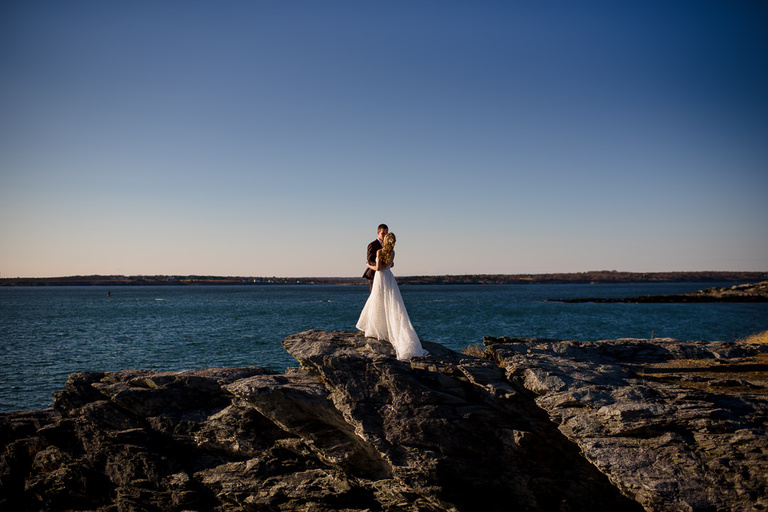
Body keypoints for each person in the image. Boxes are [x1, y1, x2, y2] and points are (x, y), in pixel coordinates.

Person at [356, 232, 428, 360]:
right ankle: (385, 330)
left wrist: (368, 265)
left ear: (385, 241)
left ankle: (378, 330)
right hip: (389, 277)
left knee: (378, 301)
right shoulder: (393, 252)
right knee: (391, 302)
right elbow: (389, 265)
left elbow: (378, 268)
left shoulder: (379, 252)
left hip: (380, 278)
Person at [363, 224, 388, 292]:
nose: (385, 235)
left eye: (386, 233)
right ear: (378, 233)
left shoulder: (387, 246)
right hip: (373, 274)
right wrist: (380, 265)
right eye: (383, 233)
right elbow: (370, 261)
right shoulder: (372, 245)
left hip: (384, 273)